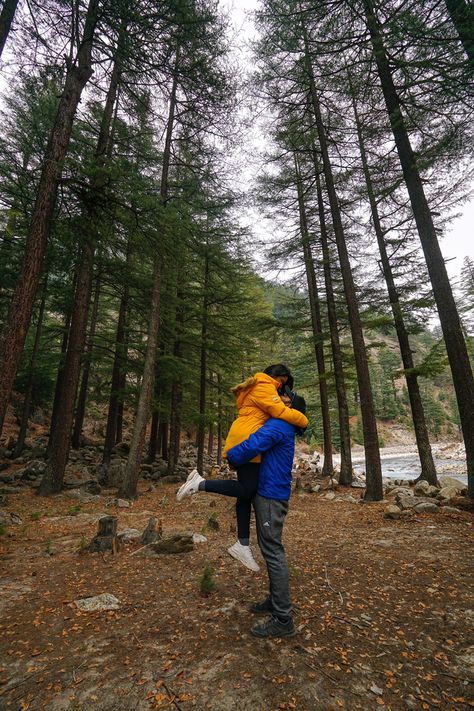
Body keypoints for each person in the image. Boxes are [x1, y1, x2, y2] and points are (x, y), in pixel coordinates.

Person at [176, 365, 308, 572]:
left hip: (245, 435)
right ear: (276, 376)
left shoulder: (263, 386)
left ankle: (242, 544)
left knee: (246, 493)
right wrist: (303, 420)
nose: (283, 387)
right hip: (248, 439)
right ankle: (200, 484)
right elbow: (280, 411)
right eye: (282, 381)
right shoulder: (265, 385)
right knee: (248, 490)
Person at [225, 391, 307, 639]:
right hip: (271, 493)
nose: (280, 400)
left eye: (286, 400)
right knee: (270, 547)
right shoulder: (282, 423)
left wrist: (232, 456)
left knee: (272, 550)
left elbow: (254, 444)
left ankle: (283, 618)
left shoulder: (280, 424)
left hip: (271, 496)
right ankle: (275, 601)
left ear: (292, 408)